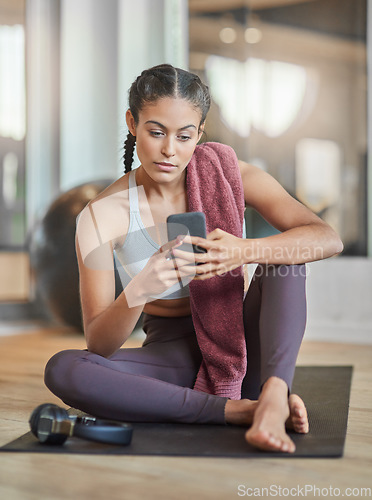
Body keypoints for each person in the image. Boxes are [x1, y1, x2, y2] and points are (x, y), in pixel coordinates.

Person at [44, 64, 343, 453]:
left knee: (285, 256)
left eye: (185, 136)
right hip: (172, 356)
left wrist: (244, 250)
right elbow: (98, 344)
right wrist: (139, 289)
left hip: (242, 340)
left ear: (199, 133)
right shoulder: (102, 215)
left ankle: (273, 393)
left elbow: (327, 238)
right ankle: (234, 410)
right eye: (156, 132)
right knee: (64, 369)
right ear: (132, 123)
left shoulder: (228, 172)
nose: (170, 150)